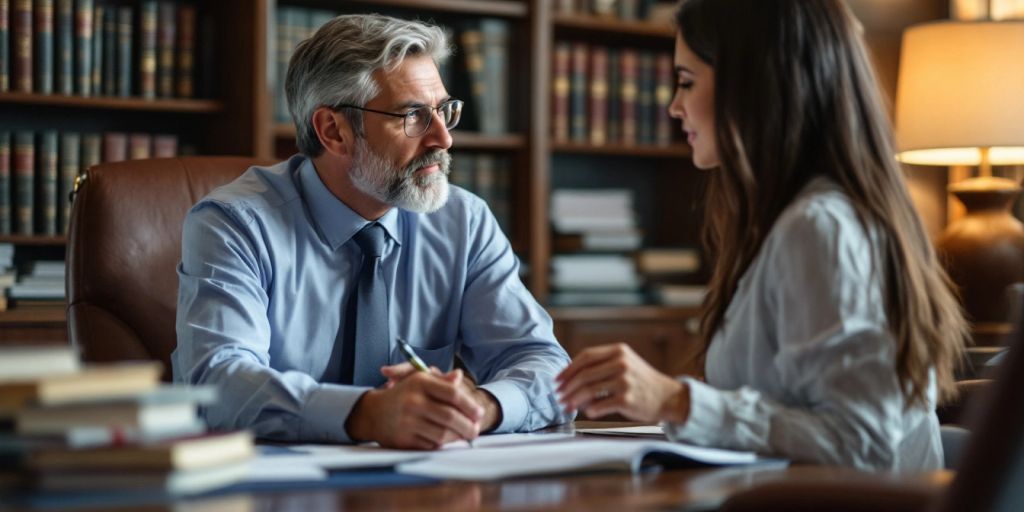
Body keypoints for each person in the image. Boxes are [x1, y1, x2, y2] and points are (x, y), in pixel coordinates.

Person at [556, 0, 968, 471]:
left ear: (753, 89)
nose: (674, 106)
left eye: (687, 82)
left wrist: (679, 403)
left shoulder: (821, 227)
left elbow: (863, 443)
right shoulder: (788, 223)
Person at [173, 14, 572, 449]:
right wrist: (365, 414)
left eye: (443, 111)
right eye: (414, 116)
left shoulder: (464, 222)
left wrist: (481, 405)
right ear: (333, 131)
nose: (443, 138)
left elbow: (545, 364)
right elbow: (217, 382)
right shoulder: (235, 224)